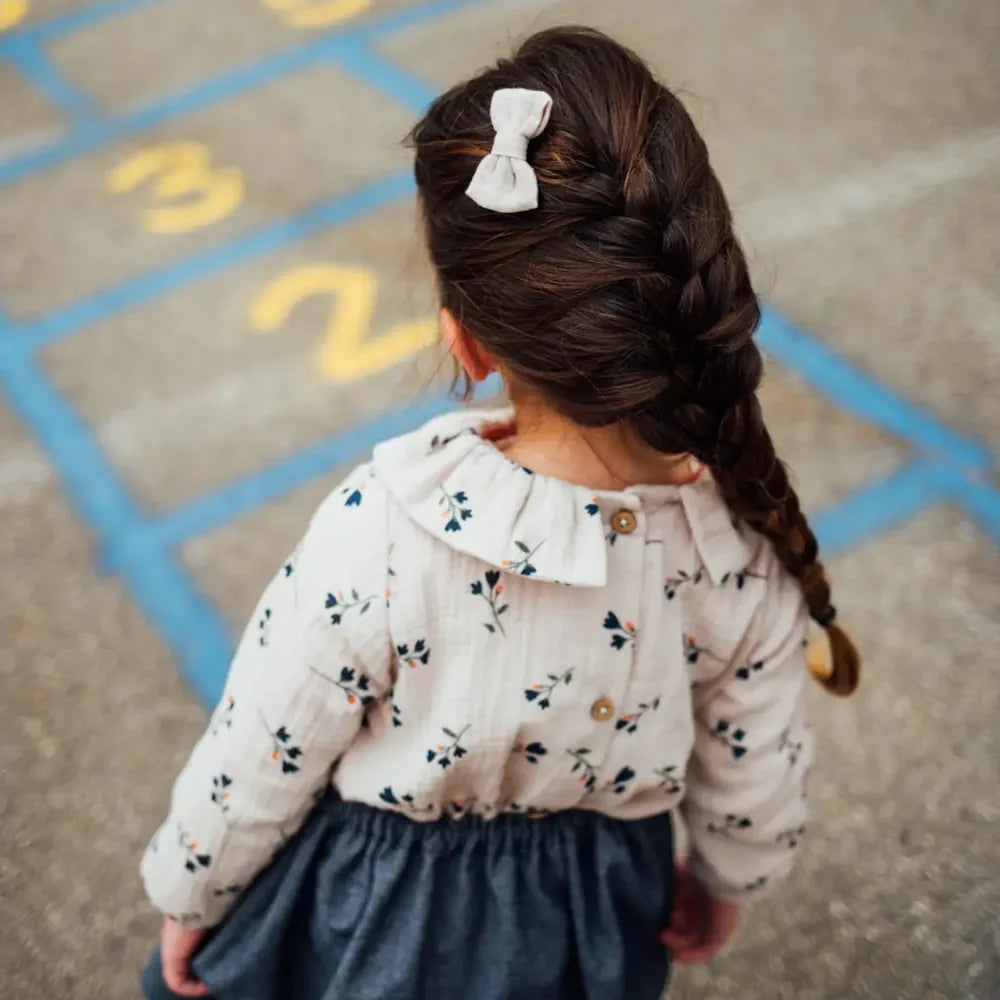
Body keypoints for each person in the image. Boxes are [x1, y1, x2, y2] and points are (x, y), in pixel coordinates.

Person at [139, 26, 860, 1000]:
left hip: (385, 910)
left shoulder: (383, 527)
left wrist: (194, 890)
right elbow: (754, 760)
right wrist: (728, 880)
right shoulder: (740, 544)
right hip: (596, 906)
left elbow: (266, 741)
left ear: (465, 342)